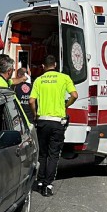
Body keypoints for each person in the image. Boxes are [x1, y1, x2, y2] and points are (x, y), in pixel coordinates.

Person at [29, 55, 77, 197]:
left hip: (42, 121)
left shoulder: (39, 80)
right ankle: (48, 185)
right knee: (54, 154)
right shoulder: (64, 78)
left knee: (42, 154)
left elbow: (32, 101)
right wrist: (65, 105)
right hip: (57, 122)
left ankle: (39, 182)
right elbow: (74, 95)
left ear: (44, 66)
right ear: (55, 64)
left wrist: (35, 114)